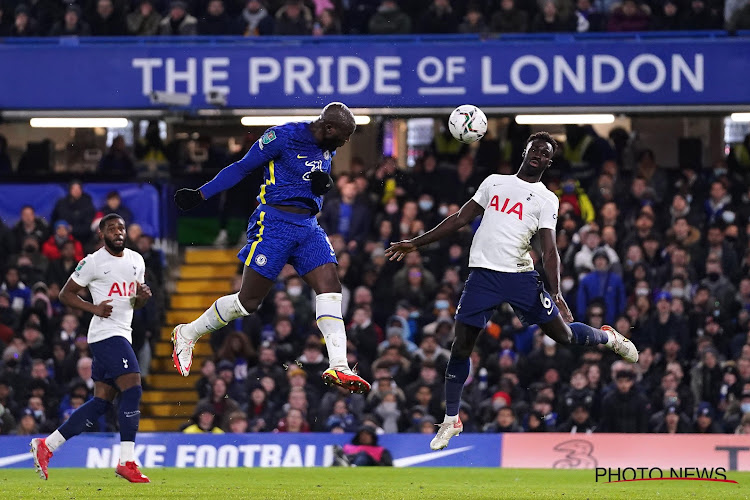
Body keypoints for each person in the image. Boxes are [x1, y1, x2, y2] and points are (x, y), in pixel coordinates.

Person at [386, 132, 638, 451]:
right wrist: (416, 243)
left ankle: (608, 338)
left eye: (545, 153)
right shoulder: (494, 182)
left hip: (520, 277)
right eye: (535, 148)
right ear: (525, 150)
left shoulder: (547, 198)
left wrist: (557, 292)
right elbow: (461, 218)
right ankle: (451, 419)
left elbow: (548, 251)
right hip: (483, 276)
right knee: (461, 346)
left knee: (563, 336)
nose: (538, 154)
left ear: (549, 161)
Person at [171, 102, 370, 395]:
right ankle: (187, 333)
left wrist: (322, 186)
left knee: (330, 288)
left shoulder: (330, 144)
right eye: (344, 135)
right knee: (247, 302)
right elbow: (240, 169)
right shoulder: (282, 137)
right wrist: (202, 194)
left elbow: (312, 182)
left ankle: (338, 364)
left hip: (308, 227)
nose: (346, 142)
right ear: (328, 128)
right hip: (274, 225)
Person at [29, 214, 152, 483]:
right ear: (101, 234)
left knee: (101, 402)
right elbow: (65, 294)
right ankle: (126, 461)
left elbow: (133, 304)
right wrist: (94, 308)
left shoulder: (136, 260)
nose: (118, 232)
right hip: (105, 334)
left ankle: (46, 446)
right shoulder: (93, 262)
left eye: (121, 227)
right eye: (111, 228)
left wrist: (141, 299)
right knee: (133, 387)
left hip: (123, 333)